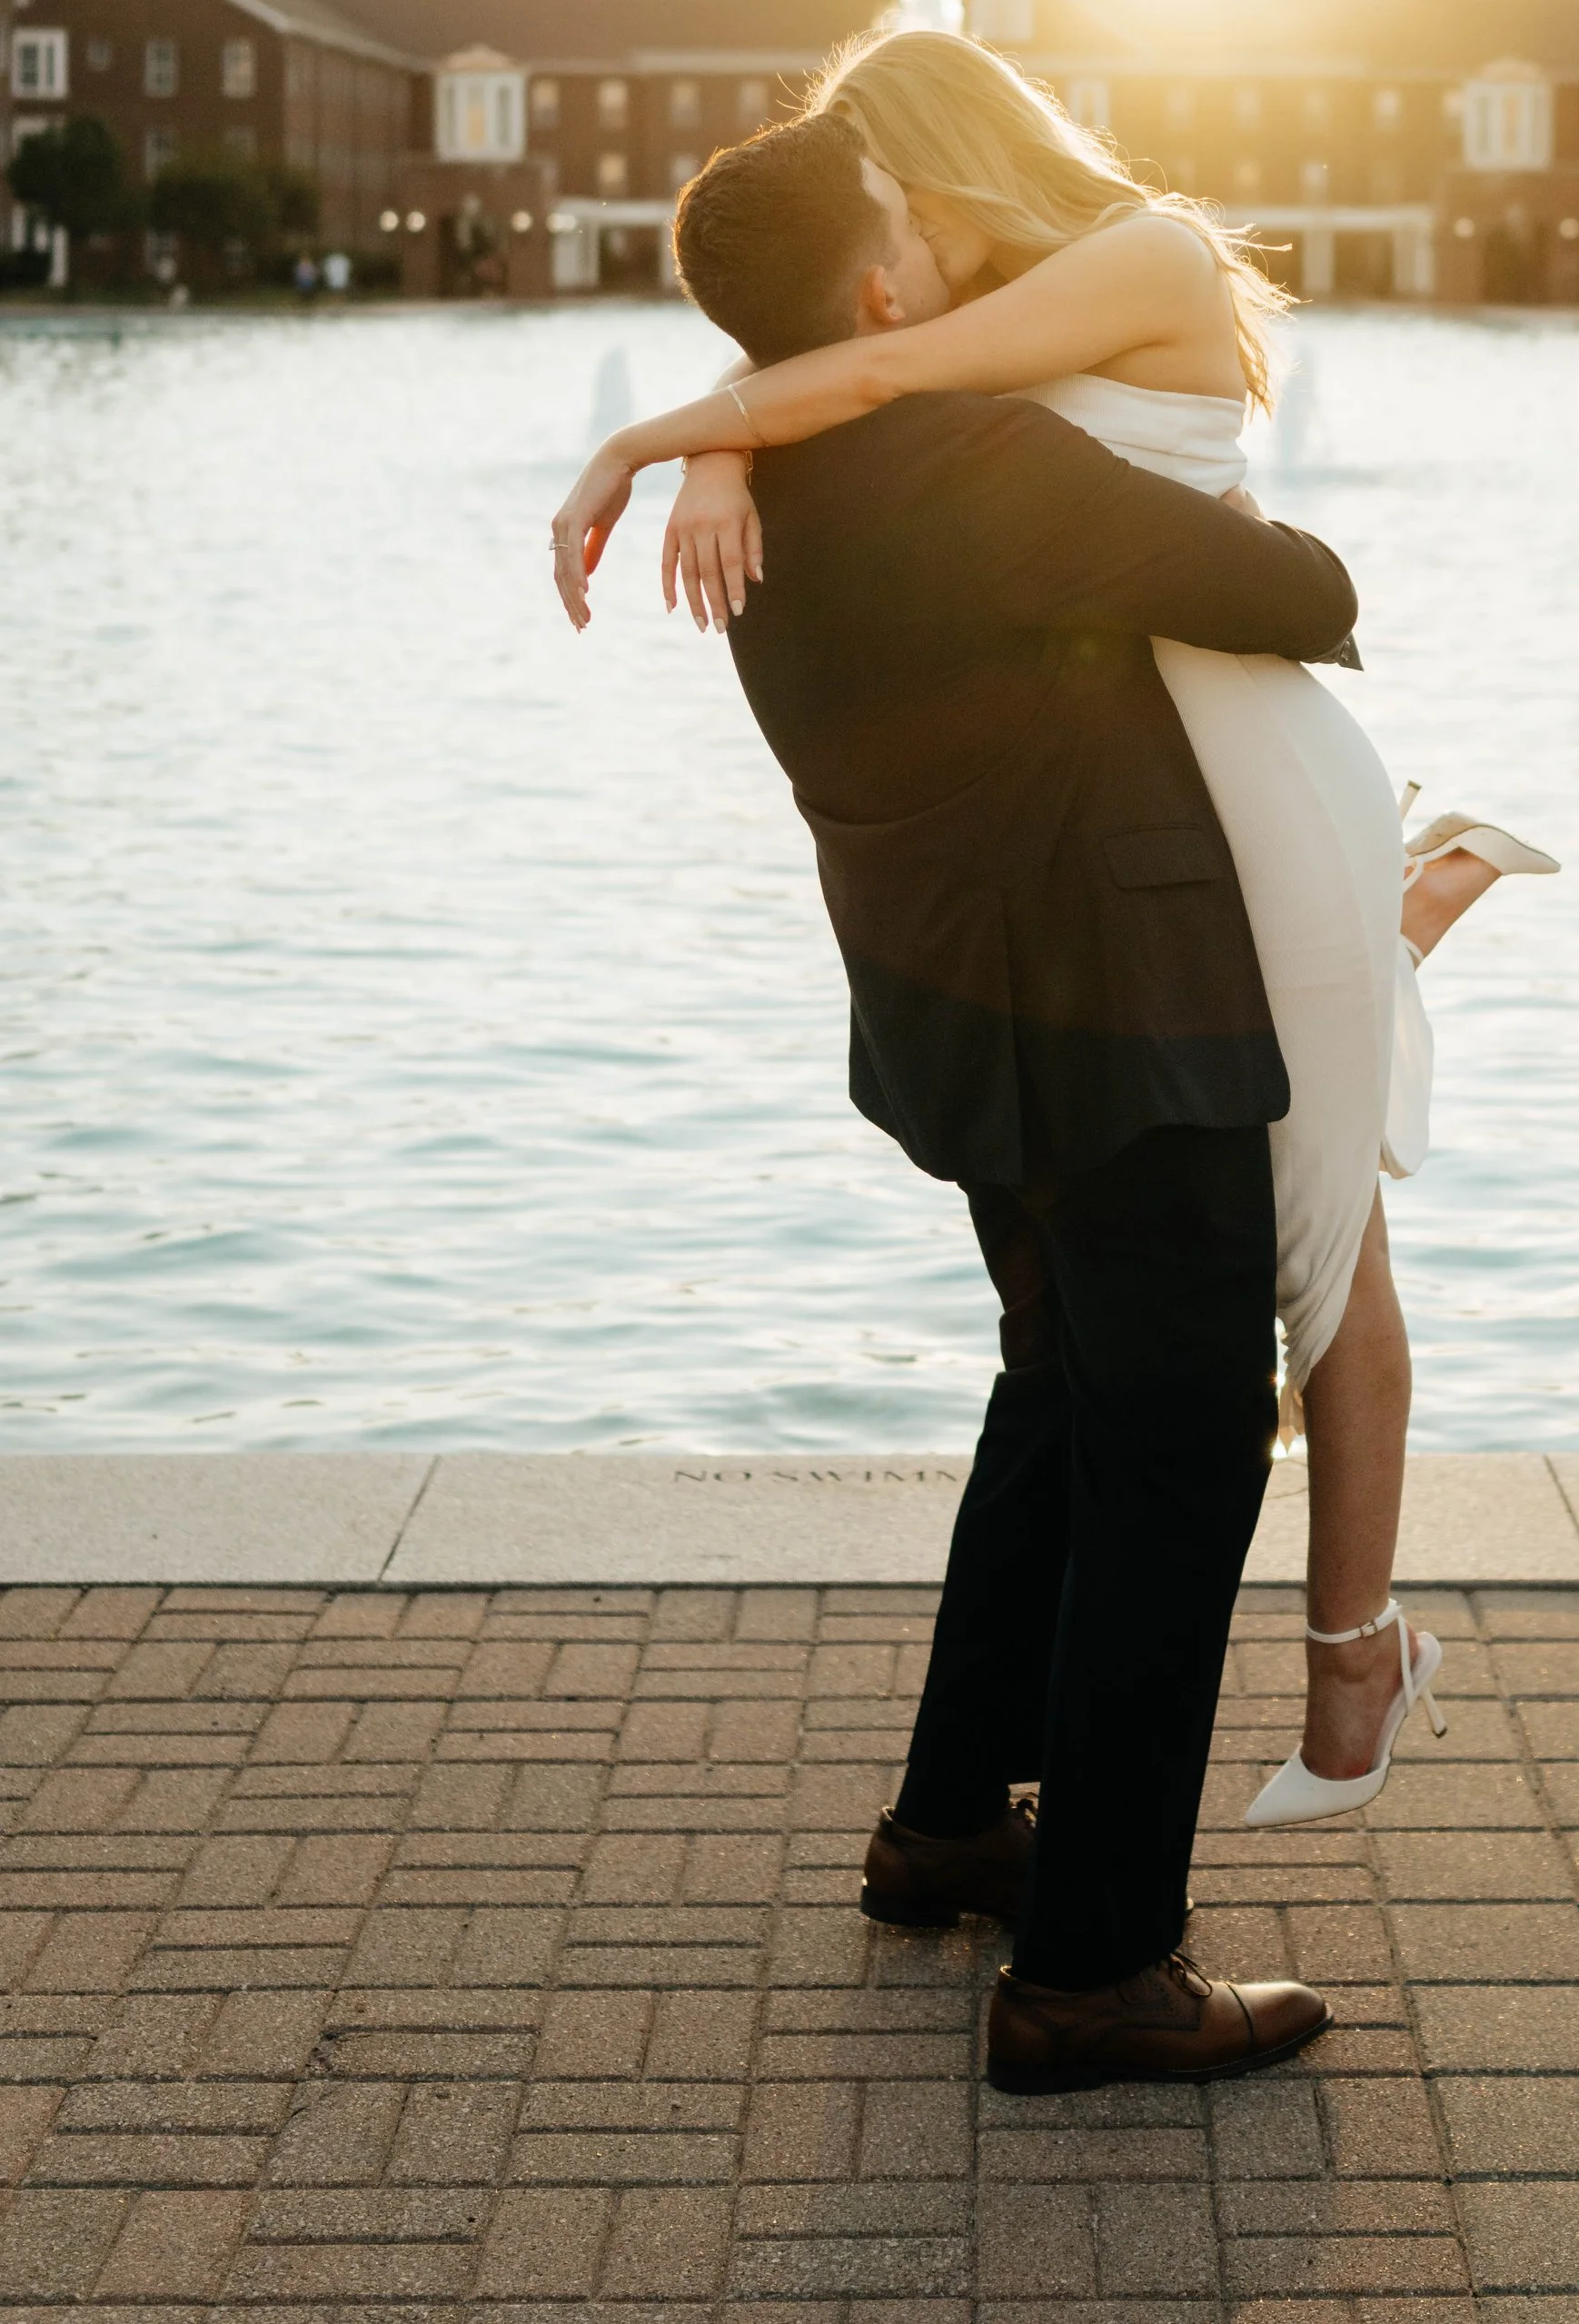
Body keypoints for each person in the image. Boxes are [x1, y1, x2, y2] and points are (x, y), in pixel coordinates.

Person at [549, 29, 1554, 1828]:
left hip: (1178, 805)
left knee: (1307, 1241)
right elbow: (877, 354)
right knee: (1208, 1342)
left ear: (937, 178)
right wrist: (714, 431)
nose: (902, 229)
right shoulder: (929, 429)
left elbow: (875, 354)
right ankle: (1171, 1858)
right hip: (1131, 893)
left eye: (881, 179)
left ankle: (1279, 1687)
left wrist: (681, 429)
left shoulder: (1057, 319)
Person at [557, 111, 1341, 2087]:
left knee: (1058, 1391)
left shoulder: (771, 488)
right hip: (1111, 1013)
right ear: (886, 288)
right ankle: (1092, 1966)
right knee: (1175, 1445)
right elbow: (1301, 590)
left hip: (952, 1022)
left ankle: (944, 1829)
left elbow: (813, 386)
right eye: (917, 227)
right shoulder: (983, 465)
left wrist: (722, 417)